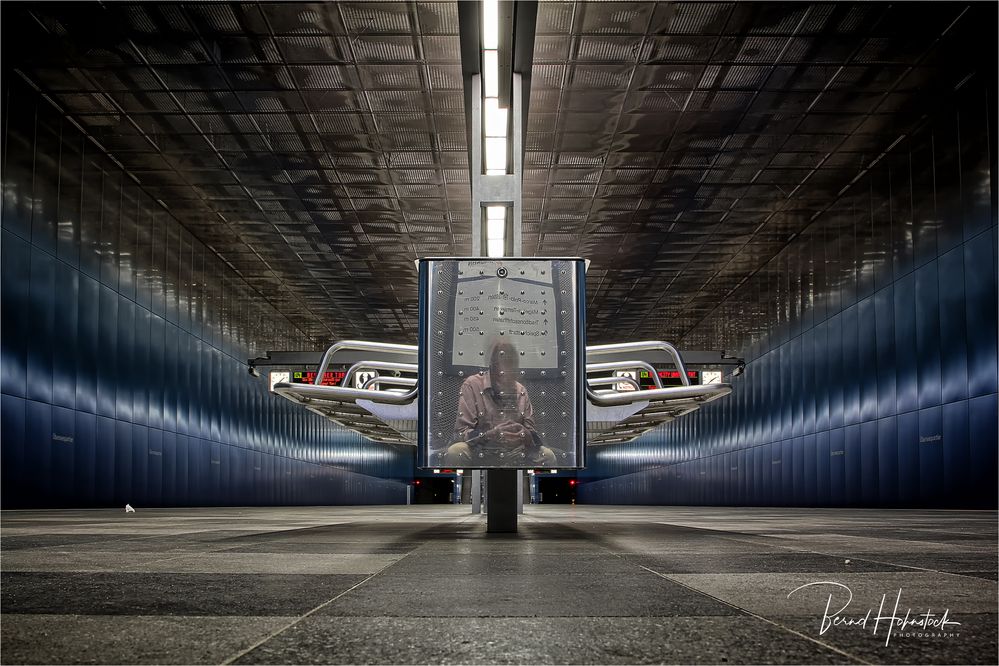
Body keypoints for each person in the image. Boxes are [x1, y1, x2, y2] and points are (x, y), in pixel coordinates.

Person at [443, 340, 557, 467]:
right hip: (480, 450)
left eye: (511, 365)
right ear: (492, 366)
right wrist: (490, 435)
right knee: (456, 452)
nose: (506, 374)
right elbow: (461, 432)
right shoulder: (472, 385)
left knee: (547, 455)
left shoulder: (521, 390)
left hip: (515, 450)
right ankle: (464, 485)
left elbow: (533, 433)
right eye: (504, 365)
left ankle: (533, 486)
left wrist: (525, 434)